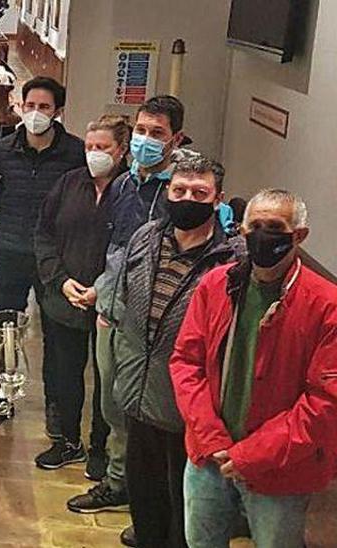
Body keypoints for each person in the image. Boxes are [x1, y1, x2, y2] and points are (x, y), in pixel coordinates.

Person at [171, 189, 337, 548]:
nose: (263, 235)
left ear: (299, 235)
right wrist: (211, 438)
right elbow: (186, 362)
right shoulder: (216, 285)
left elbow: (325, 404)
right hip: (208, 459)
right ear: (242, 232)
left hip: (281, 471)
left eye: (275, 227)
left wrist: (249, 455)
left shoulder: (327, 306)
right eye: (255, 226)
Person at [111, 157, 244, 548]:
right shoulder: (146, 237)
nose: (188, 199)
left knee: (186, 518)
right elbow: (123, 299)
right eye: (180, 190)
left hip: (191, 411)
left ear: (217, 199)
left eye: (200, 193)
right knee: (145, 505)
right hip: (139, 394)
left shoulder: (233, 260)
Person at [90, 95, 194, 545]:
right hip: (111, 311)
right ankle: (118, 483)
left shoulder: (181, 193)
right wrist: (101, 297)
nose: (146, 141)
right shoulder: (124, 184)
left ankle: (157, 512)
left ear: (176, 140)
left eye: (157, 134)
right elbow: (115, 252)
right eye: (141, 131)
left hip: (153, 325)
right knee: (113, 404)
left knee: (152, 419)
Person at [0, 76, 87, 431]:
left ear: (58, 111)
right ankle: (2, 396)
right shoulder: (2, 149)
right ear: (21, 107)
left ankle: (57, 413)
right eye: (30, 106)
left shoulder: (76, 153)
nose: (36, 114)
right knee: (5, 327)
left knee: (57, 335)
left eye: (44, 107)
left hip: (54, 260)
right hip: (10, 250)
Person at [32, 115, 129, 473]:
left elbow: (133, 250)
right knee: (64, 374)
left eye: (102, 148)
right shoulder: (68, 184)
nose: (94, 154)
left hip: (110, 304)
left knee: (108, 380)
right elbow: (43, 235)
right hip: (65, 298)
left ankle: (101, 448)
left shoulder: (129, 193)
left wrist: (101, 289)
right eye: (89, 147)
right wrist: (60, 281)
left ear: (121, 150)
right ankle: (68, 441)